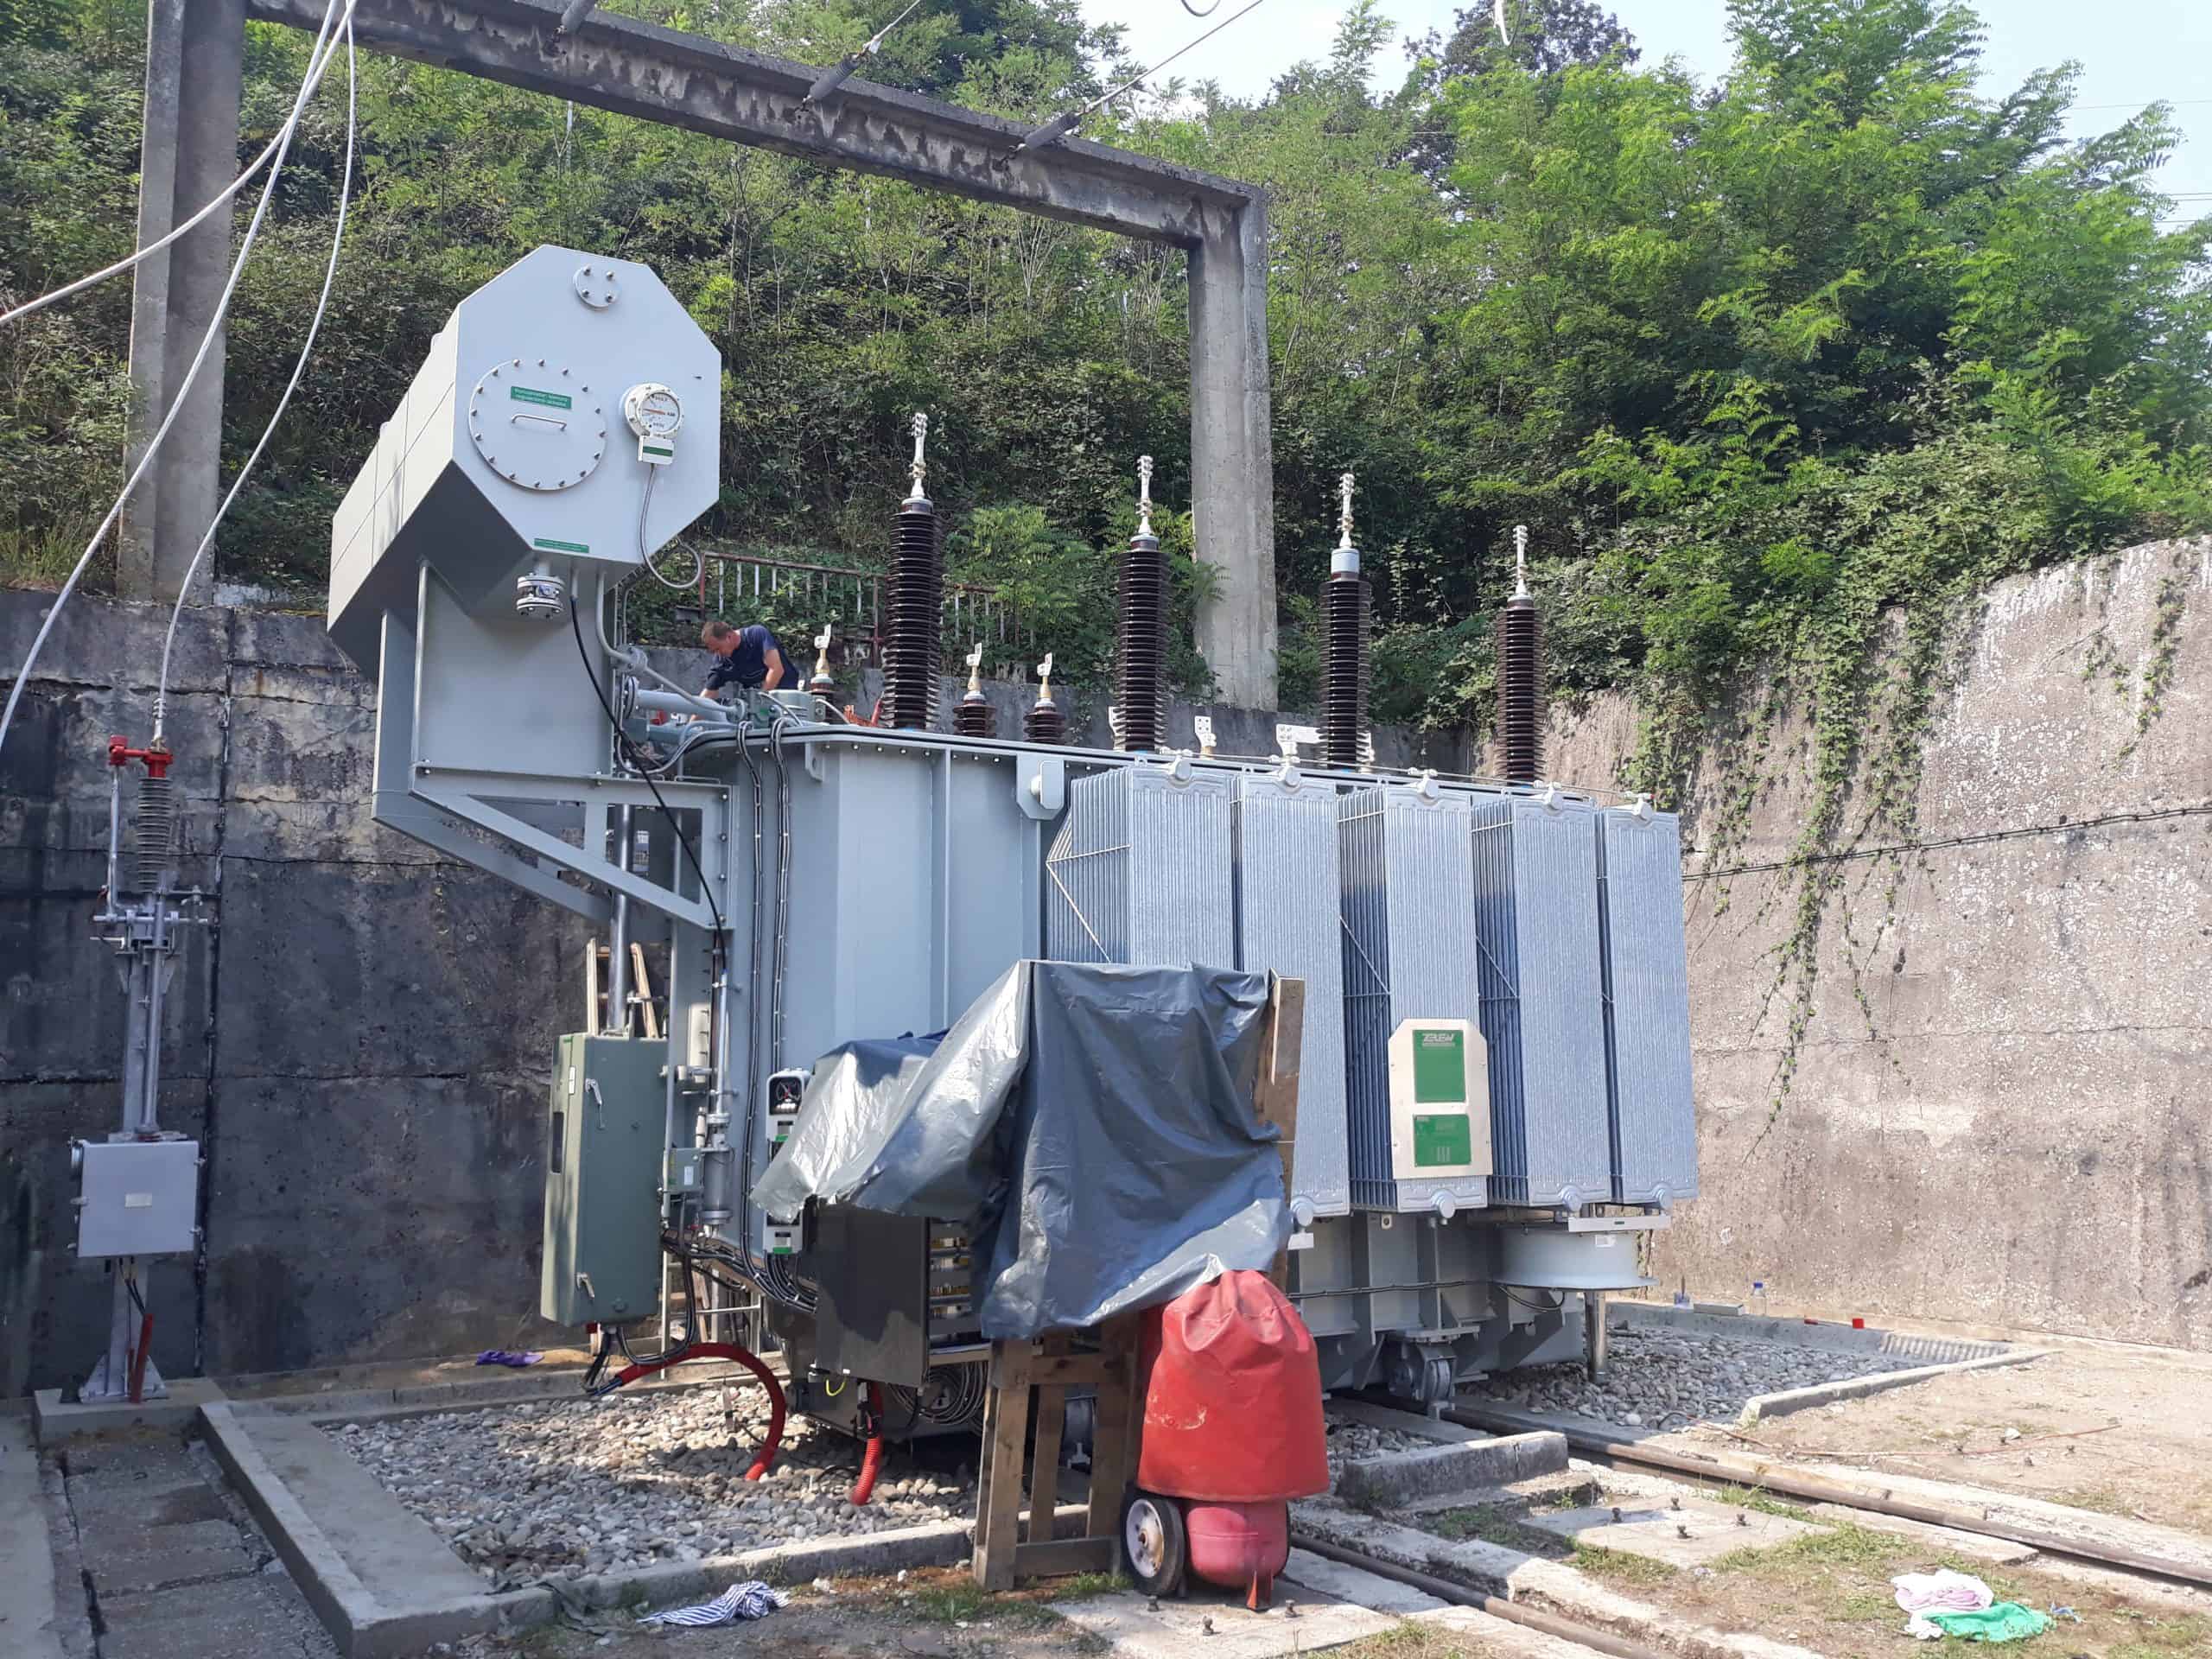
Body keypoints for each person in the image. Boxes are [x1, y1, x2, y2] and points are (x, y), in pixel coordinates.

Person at [698, 617, 786, 702]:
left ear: (728, 637)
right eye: (714, 651)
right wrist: (693, 716)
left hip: (786, 696)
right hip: (758, 704)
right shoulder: (721, 662)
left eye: (718, 649)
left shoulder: (756, 635)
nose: (718, 654)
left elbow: (777, 669)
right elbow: (708, 694)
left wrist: (759, 701)